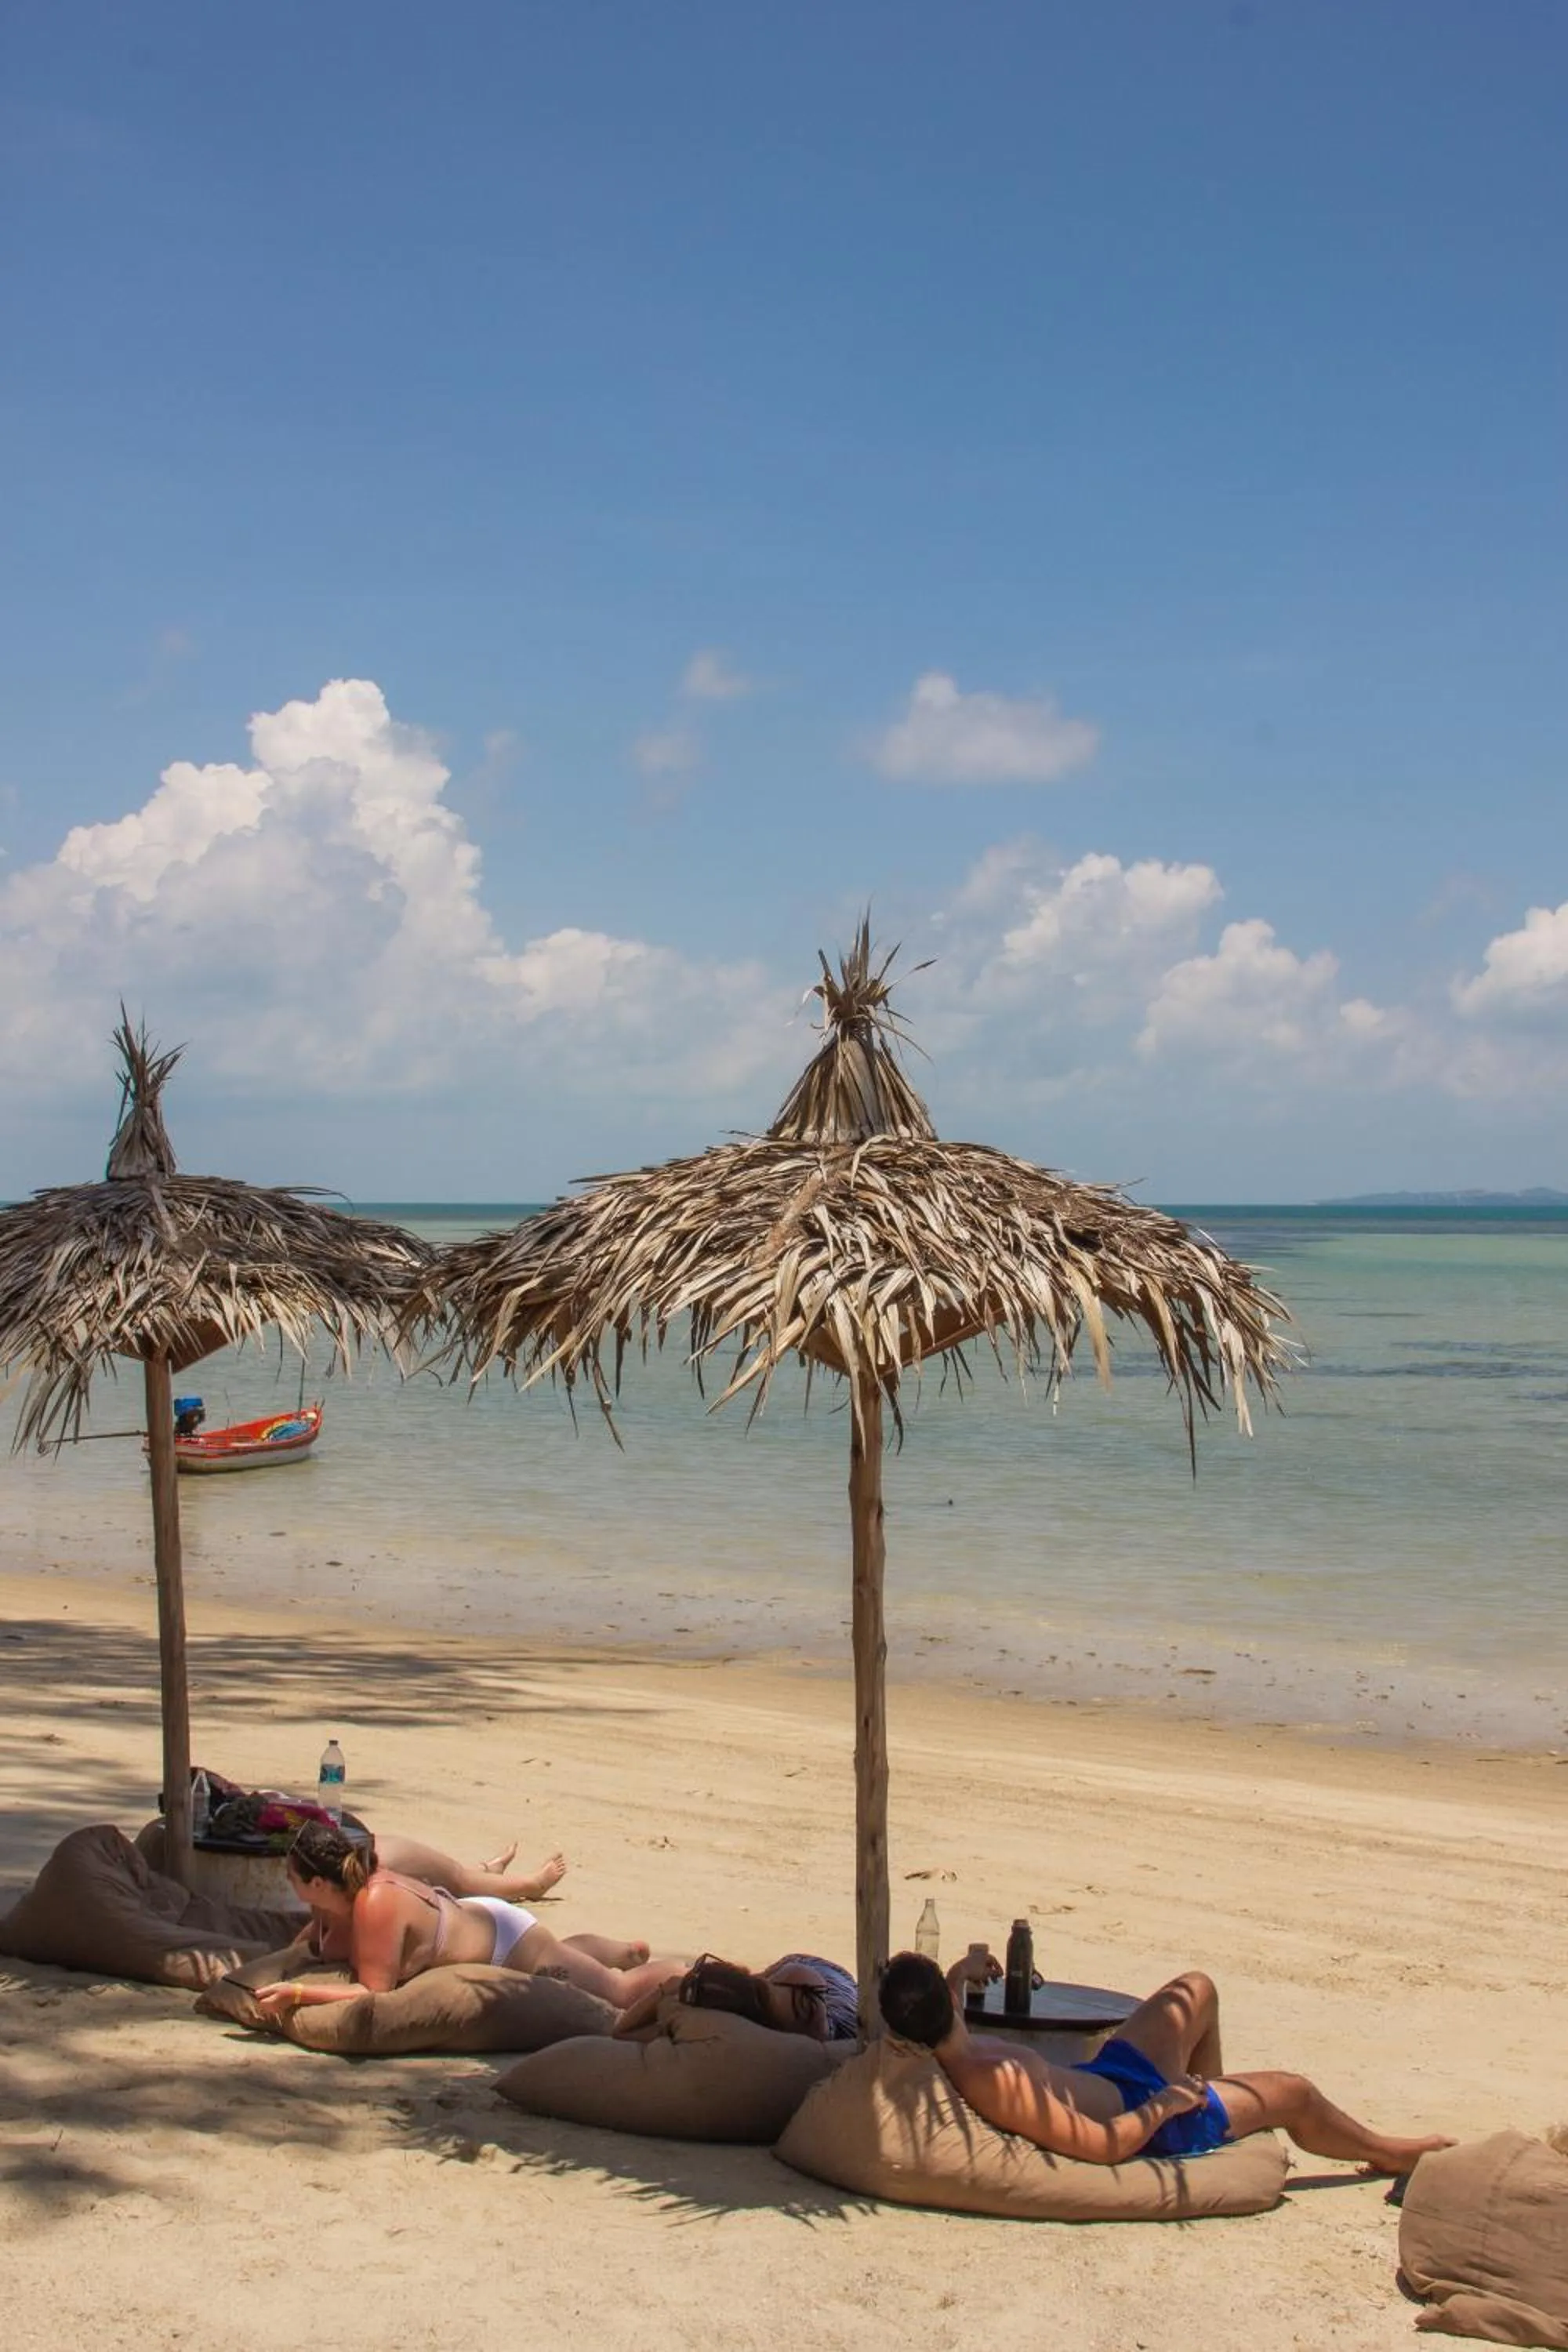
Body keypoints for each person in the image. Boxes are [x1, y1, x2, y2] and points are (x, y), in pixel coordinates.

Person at [877, 1949, 1454, 2173]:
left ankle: (1222, 2110)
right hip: (1141, 2117)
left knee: (1197, 1988)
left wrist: (962, 1970)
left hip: (1108, 2076)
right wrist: (1164, 2105)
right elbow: (1099, 2146)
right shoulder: (995, 2080)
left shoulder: (948, 2041)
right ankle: (1389, 2152)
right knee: (1295, 2092)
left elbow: (940, 2004)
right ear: (939, 2007)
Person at [253, 1820, 678, 2024]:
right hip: (477, 1924)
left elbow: (373, 1992)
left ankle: (696, 1978)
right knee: (562, 1958)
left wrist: (297, 1993)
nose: (287, 1882)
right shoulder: (328, 1901)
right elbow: (312, 1943)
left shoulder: (374, 1902)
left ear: (317, 1882)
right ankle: (621, 1952)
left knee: (618, 1992)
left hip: (506, 1942)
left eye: (291, 1877)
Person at [612, 1951, 859, 2042]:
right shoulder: (800, 1983)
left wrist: (664, 1989)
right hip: (829, 1983)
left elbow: (623, 2032)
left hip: (832, 1986)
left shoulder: (730, 2032)